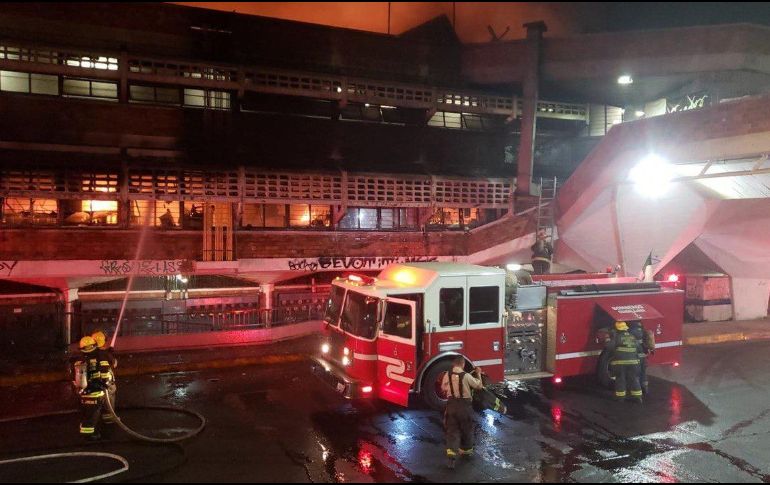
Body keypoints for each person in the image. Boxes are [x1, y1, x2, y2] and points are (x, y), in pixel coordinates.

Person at [441, 355, 484, 469]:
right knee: (466, 429)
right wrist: (478, 373)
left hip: (451, 406)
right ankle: (466, 452)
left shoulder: (447, 374)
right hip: (464, 407)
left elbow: (444, 388)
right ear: (463, 364)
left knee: (452, 431)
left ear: (454, 364)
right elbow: (479, 386)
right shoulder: (466, 376)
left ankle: (451, 459)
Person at [604, 321, 643, 404]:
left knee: (620, 379)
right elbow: (639, 349)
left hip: (620, 364)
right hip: (634, 363)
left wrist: (607, 339)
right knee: (634, 379)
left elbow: (609, 347)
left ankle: (621, 398)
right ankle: (638, 397)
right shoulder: (633, 337)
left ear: (617, 329)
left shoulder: (617, 337)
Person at [76, 336, 107, 440]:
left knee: (86, 413)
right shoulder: (99, 357)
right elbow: (105, 372)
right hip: (95, 391)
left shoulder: (79, 360)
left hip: (83, 392)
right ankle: (89, 435)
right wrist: (105, 383)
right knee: (93, 414)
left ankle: (87, 431)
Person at [92, 330, 118, 423]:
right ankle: (109, 418)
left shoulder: (91, 353)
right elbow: (114, 364)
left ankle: (98, 418)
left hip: (95, 383)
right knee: (109, 399)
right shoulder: (106, 354)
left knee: (98, 401)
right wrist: (111, 354)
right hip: (107, 383)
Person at [628, 320, 655, 394]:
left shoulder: (630, 331)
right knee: (643, 372)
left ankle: (637, 391)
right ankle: (645, 388)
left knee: (635, 373)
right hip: (644, 355)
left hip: (636, 356)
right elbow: (649, 342)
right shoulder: (643, 331)